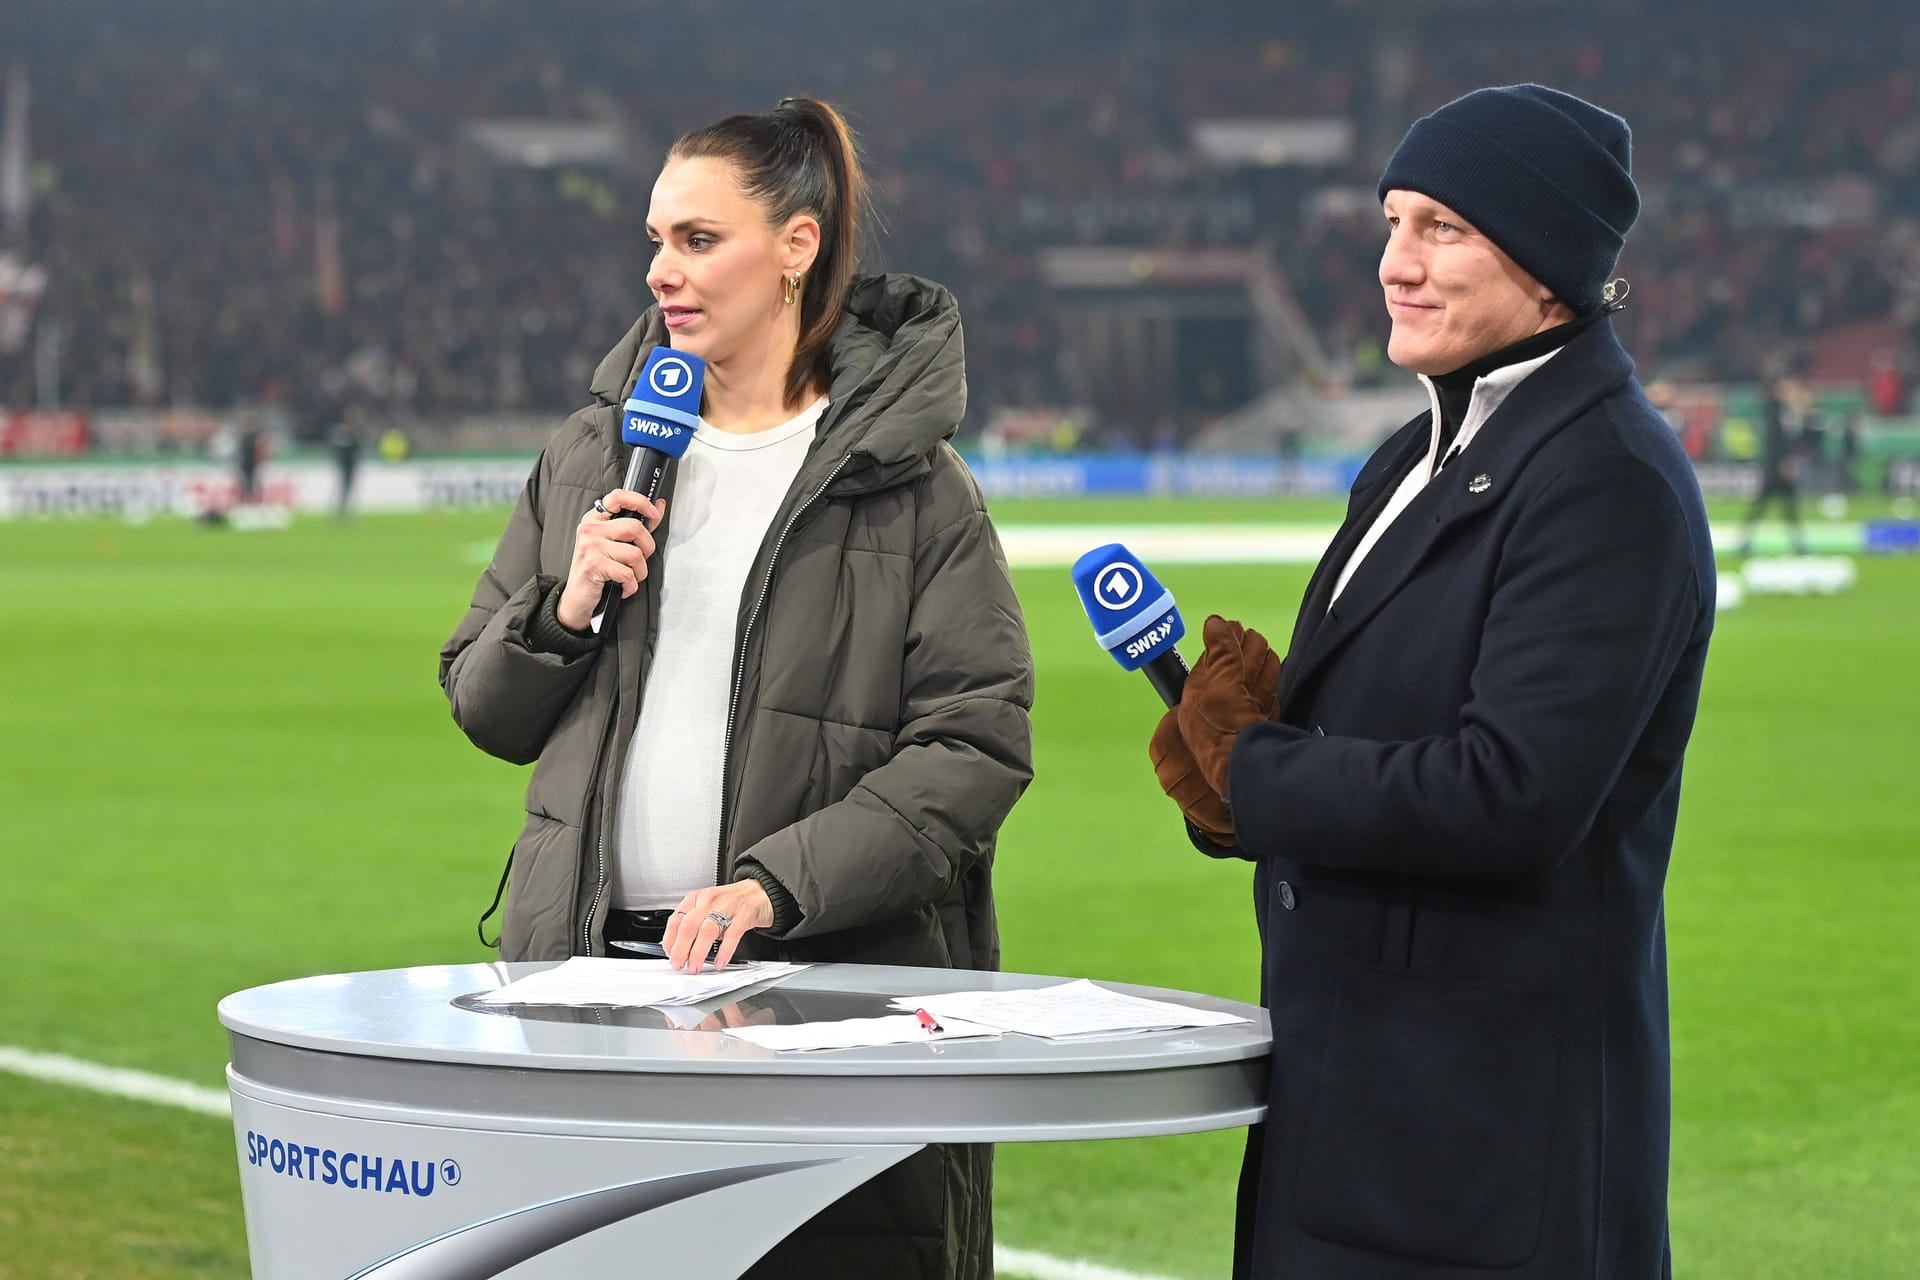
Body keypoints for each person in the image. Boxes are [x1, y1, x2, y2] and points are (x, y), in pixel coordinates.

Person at [440, 98, 1034, 1279]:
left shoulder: (918, 488)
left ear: (799, 247)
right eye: (658, 240)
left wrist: (775, 885)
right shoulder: (594, 449)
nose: (663, 270)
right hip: (587, 991)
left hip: (817, 1009)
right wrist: (562, 611)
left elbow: (974, 745)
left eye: (699, 240)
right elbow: (480, 703)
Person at [1149, 85, 1715, 1278]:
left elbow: (1509, 793)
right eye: (1393, 221)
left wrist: (1258, 769)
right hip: (1358, 1106)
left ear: (1550, 262)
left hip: (1483, 1147)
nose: (1393, 264)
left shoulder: (1607, 479)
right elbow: (1382, 725)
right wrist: (1249, 758)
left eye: (1441, 228)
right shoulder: (1416, 449)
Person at [1736, 374, 1813, 554]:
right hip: (1774, 469)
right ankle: (1745, 542)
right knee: (1763, 507)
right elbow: (1774, 442)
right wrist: (1783, 463)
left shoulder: (1790, 412)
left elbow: (1799, 439)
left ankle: (1798, 544)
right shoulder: (1772, 410)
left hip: (1783, 468)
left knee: (1788, 509)